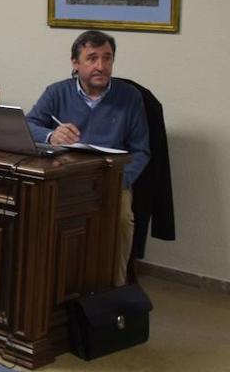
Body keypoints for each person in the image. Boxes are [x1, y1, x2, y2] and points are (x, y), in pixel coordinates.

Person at [26, 29, 150, 286]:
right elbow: (28, 125)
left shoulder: (130, 98)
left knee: (122, 220)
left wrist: (120, 181)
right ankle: (51, 283)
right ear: (75, 63)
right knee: (36, 212)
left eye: (107, 58)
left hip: (112, 178)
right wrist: (51, 135)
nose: (101, 66)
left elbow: (141, 150)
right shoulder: (57, 92)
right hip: (65, 175)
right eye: (92, 58)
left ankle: (116, 289)